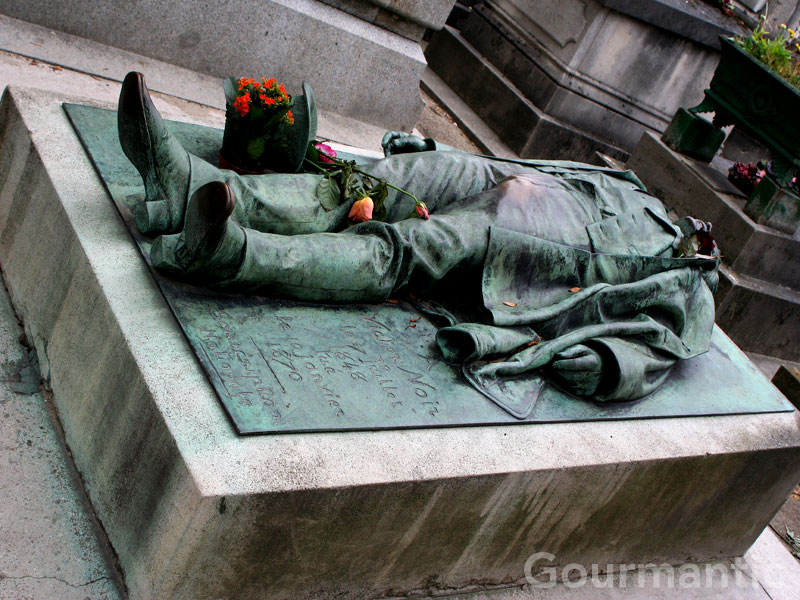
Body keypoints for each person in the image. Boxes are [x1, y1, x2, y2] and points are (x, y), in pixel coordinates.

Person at [117, 72, 720, 418]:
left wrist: (613, 366)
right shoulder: (628, 183)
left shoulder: (692, 278)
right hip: (503, 179)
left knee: (404, 247)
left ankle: (231, 253)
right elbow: (534, 163)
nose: (699, 225)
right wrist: (441, 154)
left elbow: (664, 343)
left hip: (541, 241)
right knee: (364, 186)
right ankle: (191, 189)